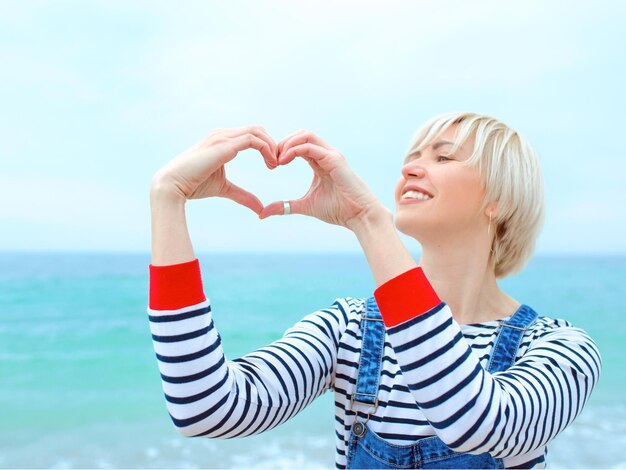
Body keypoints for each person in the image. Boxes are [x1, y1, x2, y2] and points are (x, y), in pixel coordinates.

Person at [147, 112, 601, 468]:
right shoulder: (349, 329)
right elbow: (205, 407)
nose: (411, 168)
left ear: (498, 200)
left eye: (443, 158)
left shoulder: (561, 350)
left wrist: (368, 221)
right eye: (413, 157)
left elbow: (477, 420)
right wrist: (169, 197)